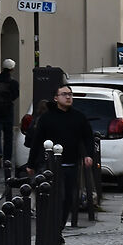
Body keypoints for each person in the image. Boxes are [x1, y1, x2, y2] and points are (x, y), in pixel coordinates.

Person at [27, 84, 101, 223]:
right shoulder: (47, 118)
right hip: (50, 166)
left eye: (70, 94)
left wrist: (88, 155)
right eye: (64, 94)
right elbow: (37, 141)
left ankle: (59, 229)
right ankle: (51, 228)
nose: (68, 97)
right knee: (55, 197)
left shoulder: (78, 117)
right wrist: (31, 163)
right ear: (56, 98)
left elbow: (88, 137)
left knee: (68, 198)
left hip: (71, 164)